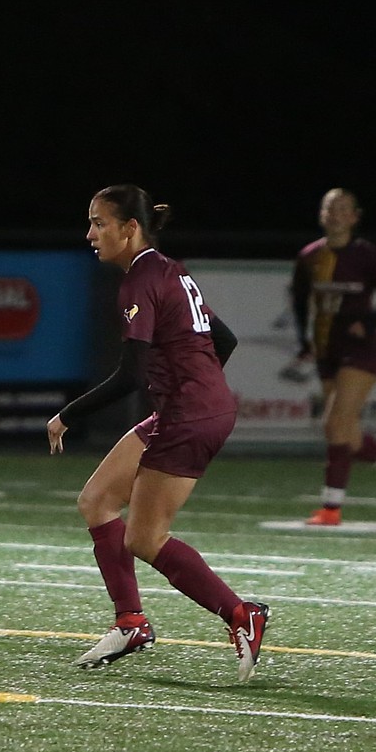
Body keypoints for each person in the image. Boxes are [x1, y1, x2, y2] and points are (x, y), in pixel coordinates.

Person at [47, 184, 269, 682]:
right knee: (97, 500)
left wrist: (67, 415)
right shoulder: (169, 269)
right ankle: (130, 622)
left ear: (130, 229)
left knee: (144, 537)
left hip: (189, 415)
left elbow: (129, 374)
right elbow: (224, 338)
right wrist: (195, 385)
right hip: (188, 409)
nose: (90, 234)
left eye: (99, 223)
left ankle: (240, 614)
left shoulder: (140, 279)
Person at [290, 187, 376, 526]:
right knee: (343, 431)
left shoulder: (366, 256)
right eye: (329, 208)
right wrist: (303, 341)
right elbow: (300, 303)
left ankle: (331, 507)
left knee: (334, 424)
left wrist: (369, 322)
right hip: (327, 349)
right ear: (321, 215)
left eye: (343, 209)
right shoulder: (310, 257)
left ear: (355, 217)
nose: (335, 214)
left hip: (360, 350)